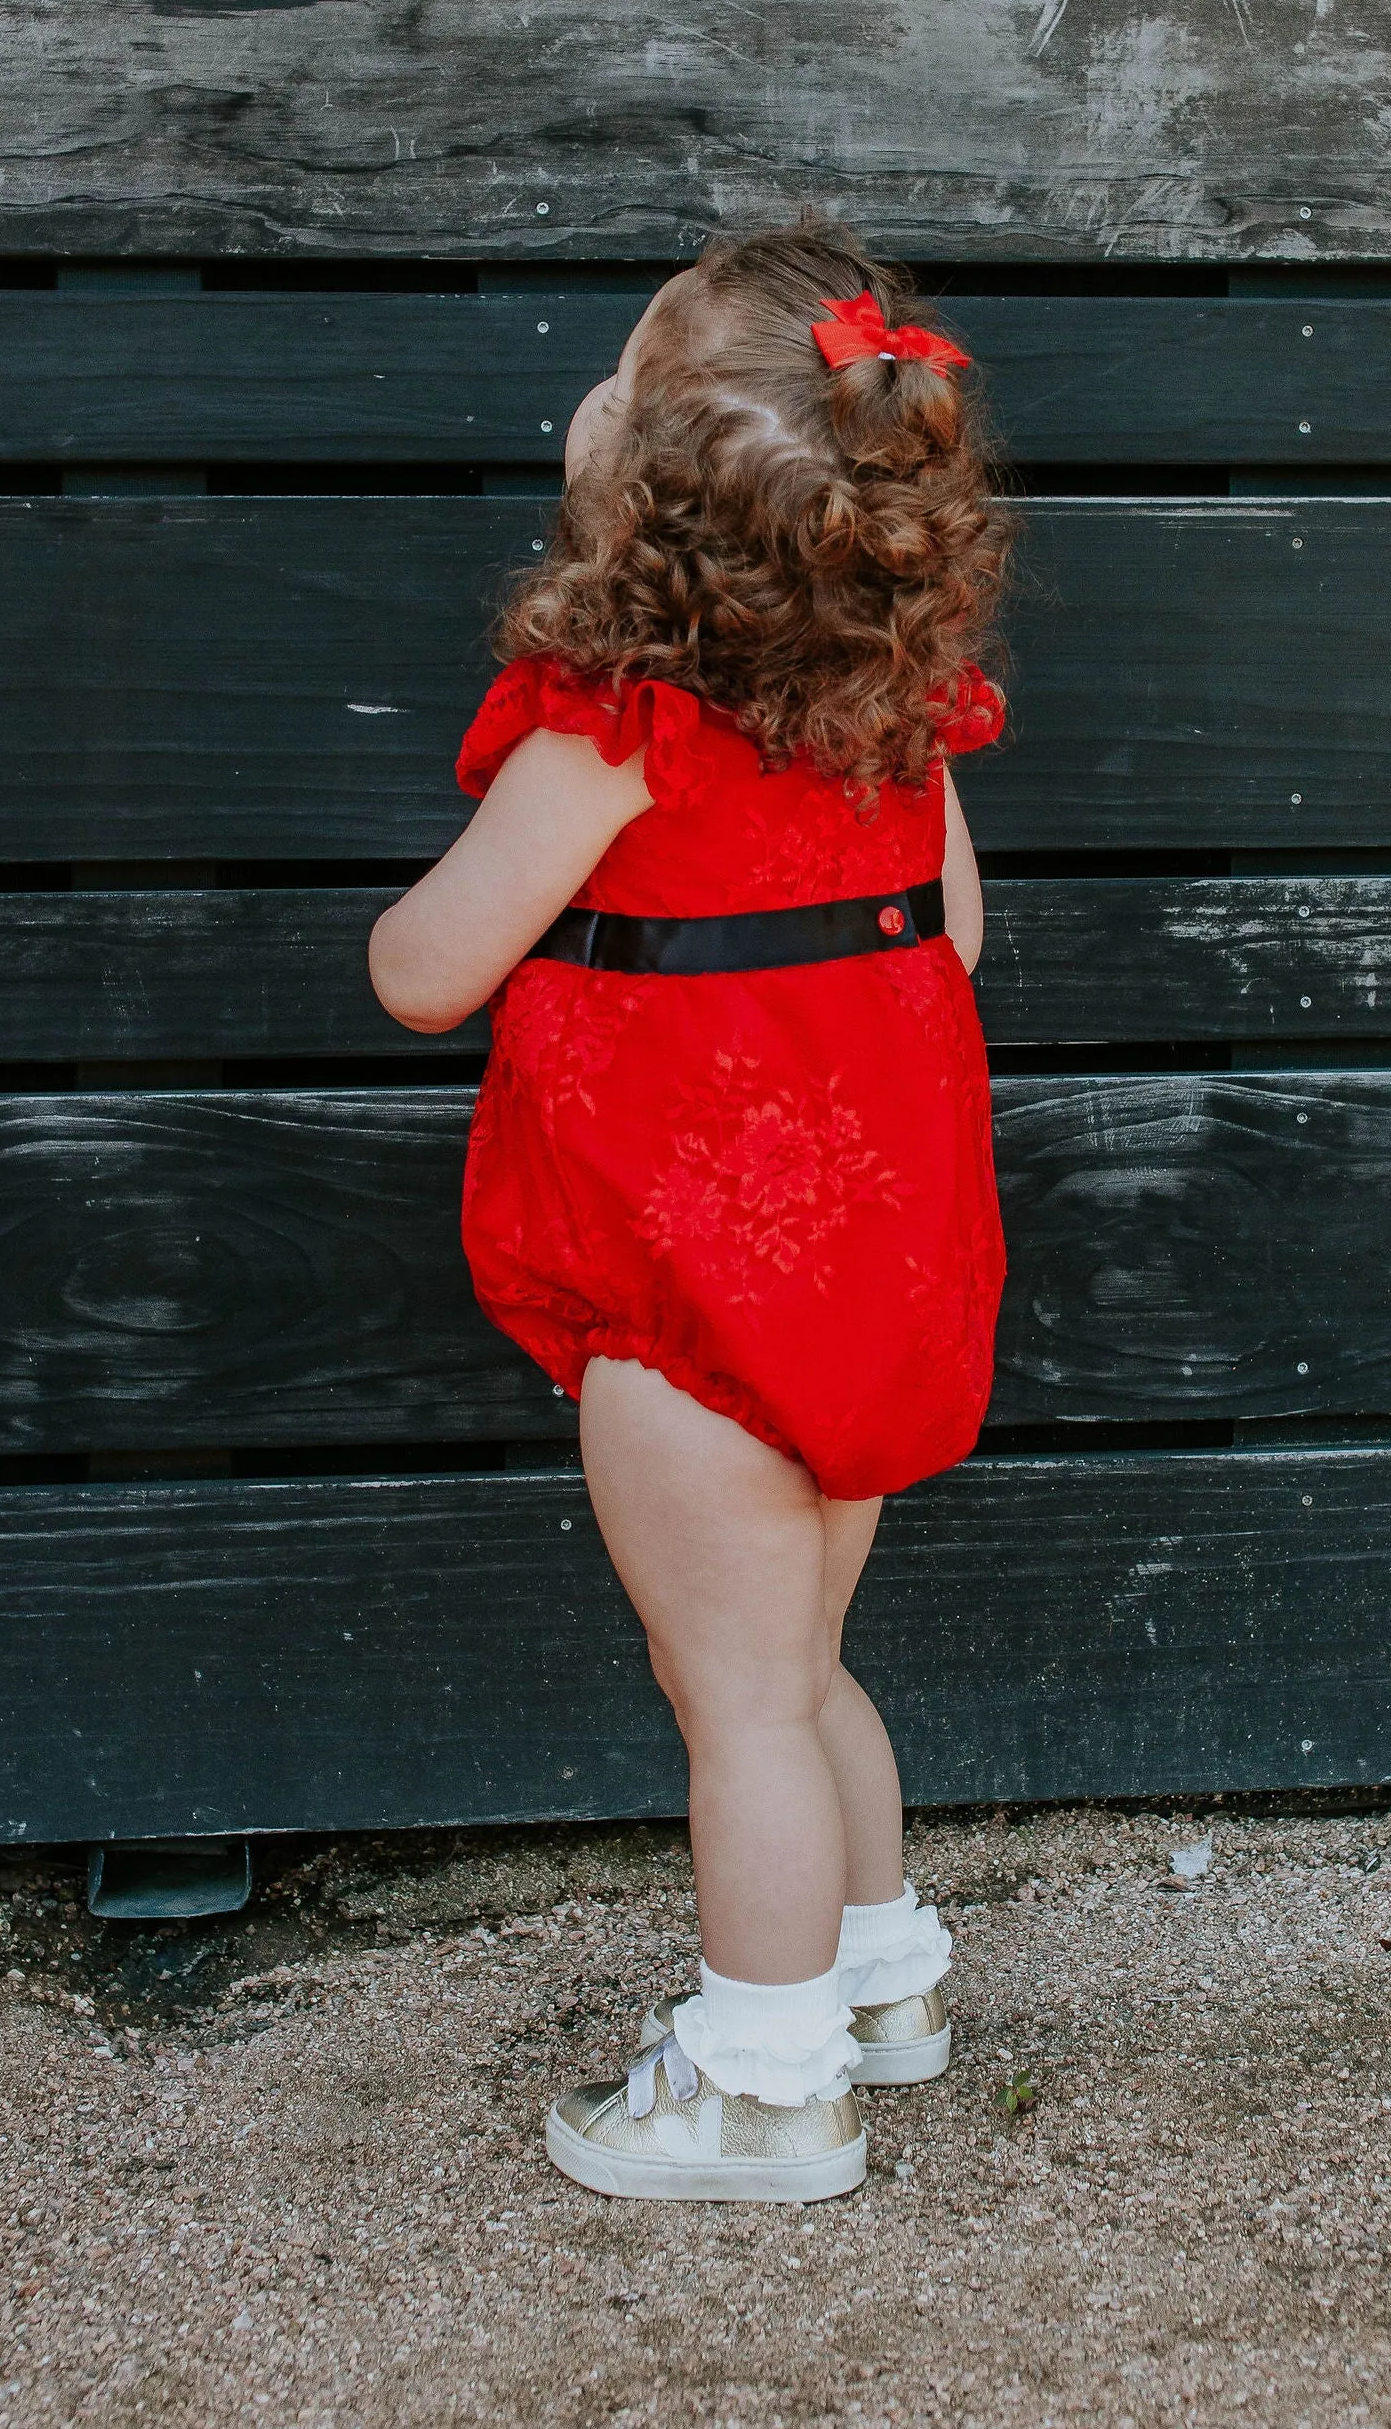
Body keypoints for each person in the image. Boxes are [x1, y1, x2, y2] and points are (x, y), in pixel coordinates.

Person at [368, 225, 1011, 2202]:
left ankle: (760, 2082)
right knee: (800, 1665)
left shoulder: (608, 732)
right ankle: (877, 1975)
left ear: (640, 489)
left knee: (730, 1703)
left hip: (690, 1287)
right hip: (872, 1265)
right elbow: (952, 943)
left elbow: (422, 971)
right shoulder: (899, 716)